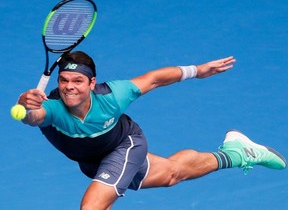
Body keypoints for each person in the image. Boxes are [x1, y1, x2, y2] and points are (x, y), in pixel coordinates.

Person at [18, 51, 286, 210]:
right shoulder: (52, 108)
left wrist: (198, 70)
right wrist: (27, 107)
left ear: (92, 83)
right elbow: (34, 117)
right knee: (172, 174)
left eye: (78, 80)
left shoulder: (114, 96)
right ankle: (237, 154)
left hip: (124, 146)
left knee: (92, 207)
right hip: (93, 161)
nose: (69, 87)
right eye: (64, 80)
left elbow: (154, 79)